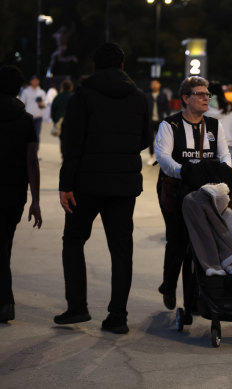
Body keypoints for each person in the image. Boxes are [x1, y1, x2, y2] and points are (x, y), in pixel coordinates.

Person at [54, 43, 150, 334]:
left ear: (94, 66)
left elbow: (72, 145)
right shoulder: (139, 98)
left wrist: (65, 184)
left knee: (73, 240)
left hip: (86, 184)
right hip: (123, 185)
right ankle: (117, 316)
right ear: (122, 65)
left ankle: (77, 307)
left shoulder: (81, 96)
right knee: (121, 250)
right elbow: (144, 139)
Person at [154, 76, 232, 312]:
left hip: (207, 191)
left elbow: (225, 156)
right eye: (200, 94)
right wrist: (185, 172)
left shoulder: (214, 125)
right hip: (175, 190)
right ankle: (168, 286)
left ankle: (196, 298)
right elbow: (163, 158)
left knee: (201, 242)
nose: (206, 97)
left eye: (207, 94)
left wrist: (222, 174)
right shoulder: (170, 125)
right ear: (185, 98)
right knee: (178, 240)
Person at [0, 65, 42, 323]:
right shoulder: (25, 119)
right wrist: (35, 200)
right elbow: (31, 161)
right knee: (5, 241)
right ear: (18, 88)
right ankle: (5, 299)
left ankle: (6, 301)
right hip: (14, 191)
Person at [206, 81, 232, 168]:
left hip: (207, 149)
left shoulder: (204, 108)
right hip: (228, 148)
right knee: (226, 179)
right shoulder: (230, 107)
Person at [146, 79, 170, 166]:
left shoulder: (163, 96)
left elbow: (167, 108)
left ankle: (159, 157)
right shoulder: (147, 95)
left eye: (156, 83)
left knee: (160, 140)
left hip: (160, 120)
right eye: (152, 84)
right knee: (150, 139)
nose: (154, 85)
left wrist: (168, 119)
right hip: (150, 120)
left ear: (159, 85)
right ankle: (151, 156)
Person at [19, 75, 46, 148]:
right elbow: (22, 103)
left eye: (37, 80)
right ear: (31, 81)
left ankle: (36, 153)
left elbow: (44, 105)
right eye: (34, 80)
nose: (35, 81)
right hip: (28, 117)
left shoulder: (42, 92)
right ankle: (27, 152)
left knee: (36, 135)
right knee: (27, 135)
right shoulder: (26, 91)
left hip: (38, 117)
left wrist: (41, 104)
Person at [50, 79, 74, 156]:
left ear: (62, 87)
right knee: (70, 139)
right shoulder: (73, 96)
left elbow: (53, 110)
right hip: (71, 121)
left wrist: (55, 120)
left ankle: (63, 155)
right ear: (71, 87)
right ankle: (69, 154)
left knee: (62, 140)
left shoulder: (58, 97)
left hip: (60, 121)